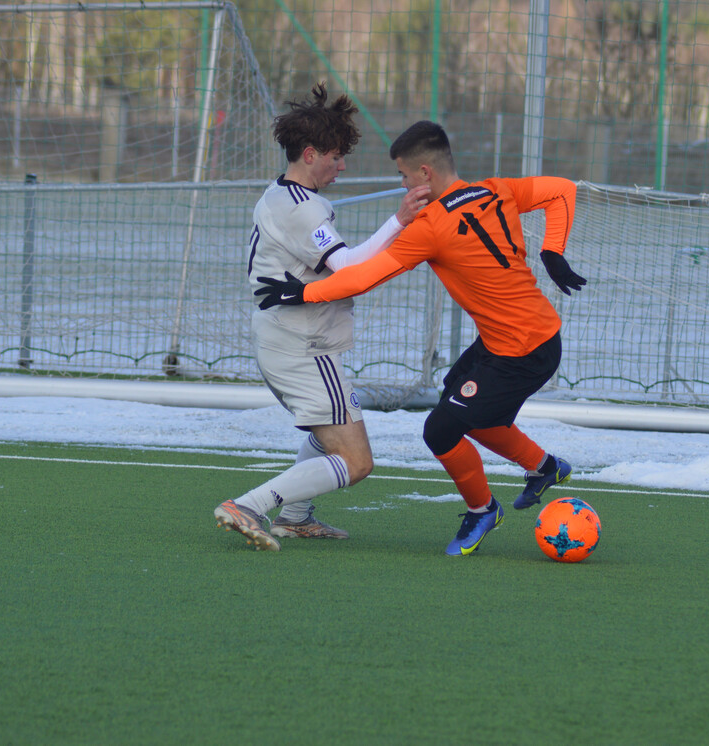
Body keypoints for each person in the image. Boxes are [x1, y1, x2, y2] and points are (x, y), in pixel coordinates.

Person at [255, 120, 586, 556]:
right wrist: (553, 249)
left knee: (442, 430)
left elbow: (361, 277)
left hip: (525, 351)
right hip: (510, 340)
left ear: (425, 174)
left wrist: (302, 292)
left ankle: (483, 510)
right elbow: (563, 189)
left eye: (403, 175)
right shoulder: (495, 189)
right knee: (462, 407)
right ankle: (544, 467)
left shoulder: (431, 226)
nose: (403, 184)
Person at [215, 84, 429, 551]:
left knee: (329, 424)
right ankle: (249, 505)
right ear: (309, 154)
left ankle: (295, 517)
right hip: (300, 346)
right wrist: (400, 221)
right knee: (356, 461)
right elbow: (348, 269)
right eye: (336, 156)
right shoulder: (301, 206)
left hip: (288, 339)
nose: (343, 165)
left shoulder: (283, 195)